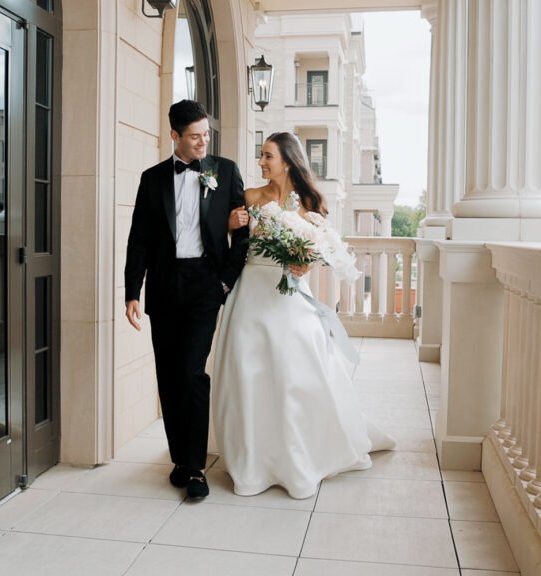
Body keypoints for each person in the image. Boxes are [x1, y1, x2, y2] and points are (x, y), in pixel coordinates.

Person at [212, 132, 395, 500]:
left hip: (290, 295)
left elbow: (320, 248)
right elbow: (232, 247)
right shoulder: (250, 197)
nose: (261, 163)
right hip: (252, 292)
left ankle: (301, 451)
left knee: (298, 368)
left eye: (268, 156)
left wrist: (303, 265)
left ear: (288, 161)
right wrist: (229, 227)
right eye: (261, 156)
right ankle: (253, 456)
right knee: (249, 370)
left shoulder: (310, 202)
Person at [124, 100, 248, 499]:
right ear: (174, 136)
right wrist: (131, 292)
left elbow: (243, 232)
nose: (202, 141)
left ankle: (195, 469)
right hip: (163, 287)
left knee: (193, 372)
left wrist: (225, 281)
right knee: (169, 374)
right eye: (194, 136)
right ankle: (180, 458)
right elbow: (138, 239)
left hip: (205, 284)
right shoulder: (152, 179)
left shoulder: (224, 171)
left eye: (206, 134)